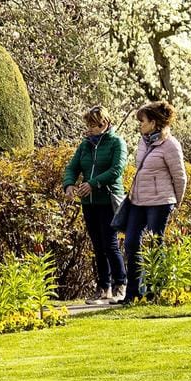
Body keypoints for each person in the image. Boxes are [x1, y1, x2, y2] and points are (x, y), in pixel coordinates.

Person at [119, 99, 185, 304]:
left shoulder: (170, 145)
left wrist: (176, 202)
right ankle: (132, 294)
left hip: (160, 201)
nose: (140, 124)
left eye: (143, 120)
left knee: (156, 244)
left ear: (154, 122)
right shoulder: (143, 142)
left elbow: (180, 176)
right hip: (138, 200)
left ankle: (157, 290)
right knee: (130, 243)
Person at [61, 105, 127, 301]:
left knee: (110, 244)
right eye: (87, 124)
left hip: (108, 200)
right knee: (97, 245)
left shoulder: (117, 143)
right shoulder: (85, 145)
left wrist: (93, 183)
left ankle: (120, 284)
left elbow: (117, 170)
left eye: (92, 125)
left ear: (103, 124)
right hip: (89, 203)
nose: (88, 129)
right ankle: (103, 287)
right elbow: (72, 168)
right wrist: (69, 185)